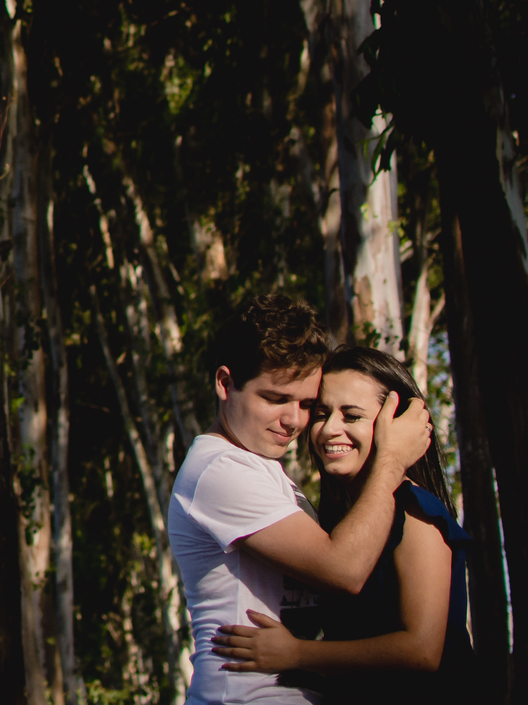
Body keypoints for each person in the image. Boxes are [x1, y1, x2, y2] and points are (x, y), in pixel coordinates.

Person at [168, 296, 431, 704]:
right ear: (225, 383)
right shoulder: (220, 470)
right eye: (275, 399)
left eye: (307, 404)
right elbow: (344, 569)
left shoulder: (260, 467)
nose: (294, 421)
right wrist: (392, 459)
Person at [211, 346, 479, 705]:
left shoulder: (415, 511)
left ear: (396, 424)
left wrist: (297, 653)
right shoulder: (349, 522)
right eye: (321, 414)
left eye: (351, 416)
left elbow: (422, 650)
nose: (328, 430)